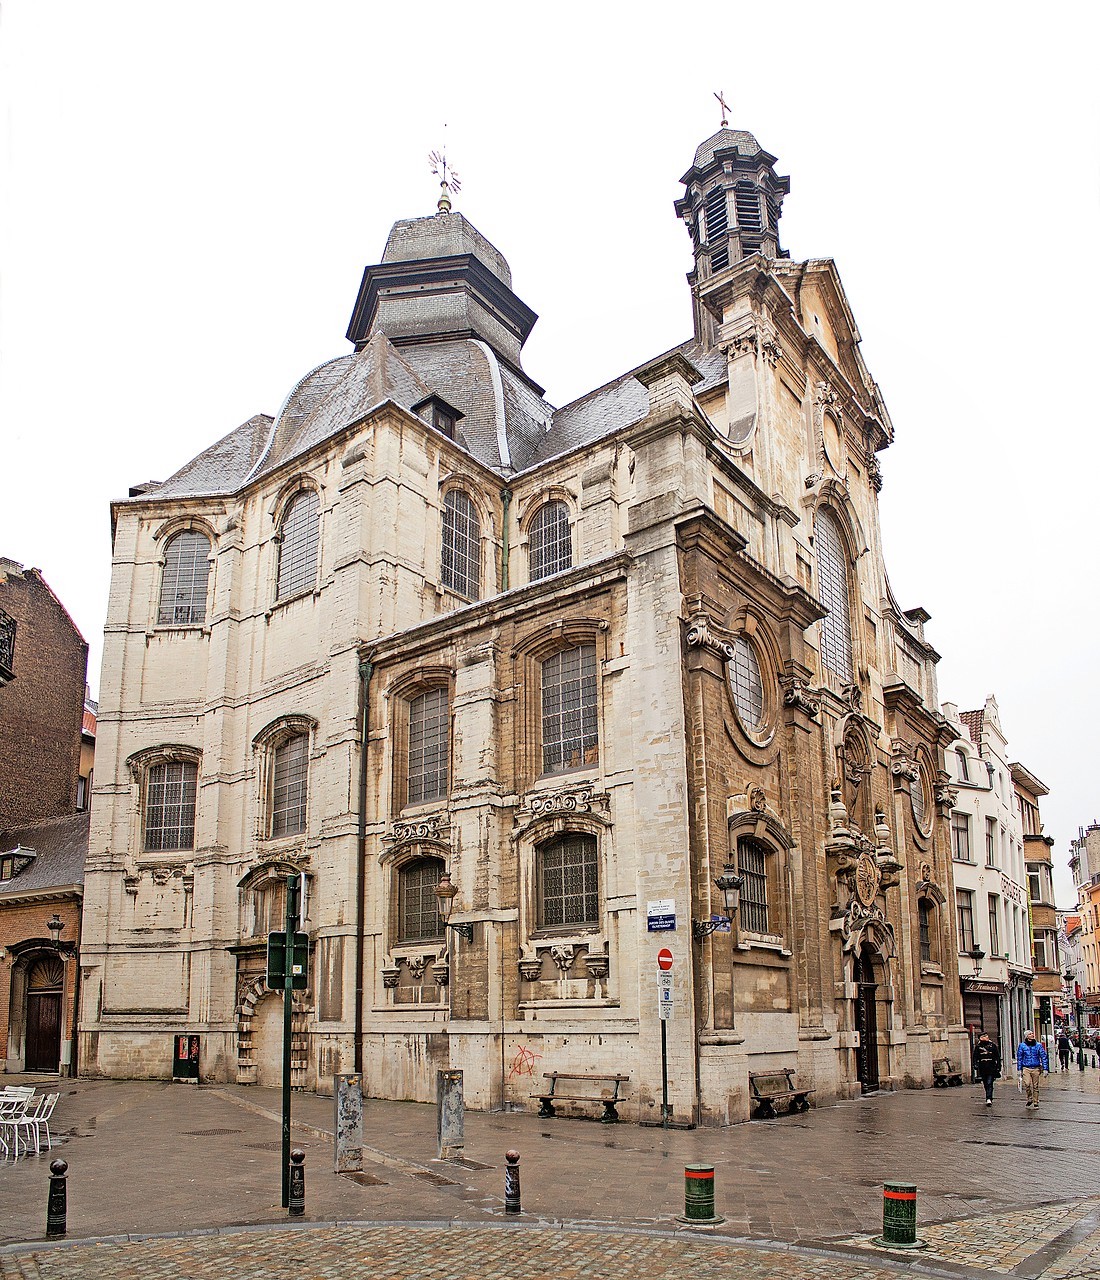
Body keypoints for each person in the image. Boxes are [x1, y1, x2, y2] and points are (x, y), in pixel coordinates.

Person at [1016, 1030, 1049, 1108]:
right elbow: (1019, 1057)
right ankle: (1029, 1098)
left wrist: (1045, 1068)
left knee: (1035, 1085)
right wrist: (1019, 1069)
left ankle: (1035, 1101)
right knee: (1027, 1084)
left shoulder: (1038, 1045)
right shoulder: (1022, 1046)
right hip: (1026, 1067)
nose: (1032, 1035)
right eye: (1030, 1034)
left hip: (1036, 1068)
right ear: (1026, 1036)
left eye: (1032, 1033)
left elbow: (1043, 1057)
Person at [972, 1031, 1001, 1104]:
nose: (987, 1037)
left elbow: (997, 1056)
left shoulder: (992, 1045)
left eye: (987, 1036)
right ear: (981, 1038)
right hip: (983, 1067)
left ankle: (989, 1098)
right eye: (985, 1036)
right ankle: (988, 1095)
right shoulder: (978, 1047)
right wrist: (975, 1064)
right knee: (985, 1083)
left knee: (989, 1082)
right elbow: (975, 1056)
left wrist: (998, 1066)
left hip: (991, 1067)